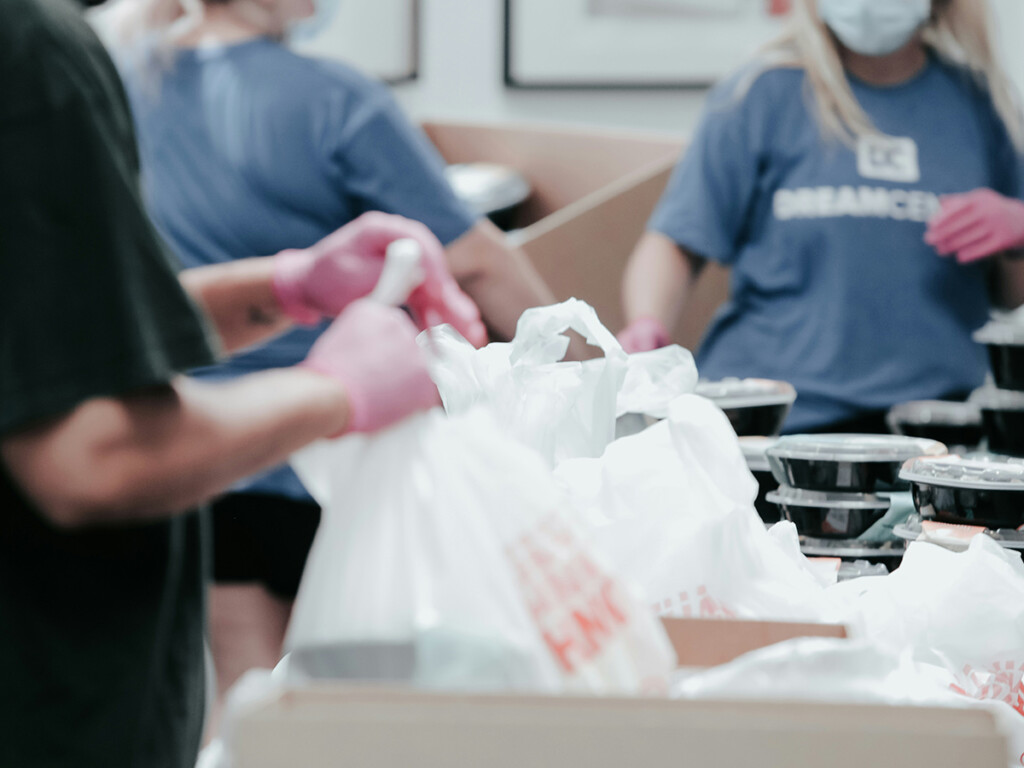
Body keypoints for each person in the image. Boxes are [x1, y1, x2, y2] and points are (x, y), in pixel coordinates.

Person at [0, 1, 463, 765]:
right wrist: (339, 388)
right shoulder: (27, 54)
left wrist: (287, 288)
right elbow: (90, 455)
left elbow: (52, 332)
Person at [89, 0, 562, 732]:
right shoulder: (335, 98)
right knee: (341, 705)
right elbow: (473, 259)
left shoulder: (125, 82)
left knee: (242, 690)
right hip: (322, 448)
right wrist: (586, 358)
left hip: (193, 442)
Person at [620, 0, 1024, 434]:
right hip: (774, 426)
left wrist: (1019, 230)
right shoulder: (760, 94)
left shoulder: (978, 105)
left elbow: (1010, 296)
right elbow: (673, 243)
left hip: (933, 435)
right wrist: (648, 323)